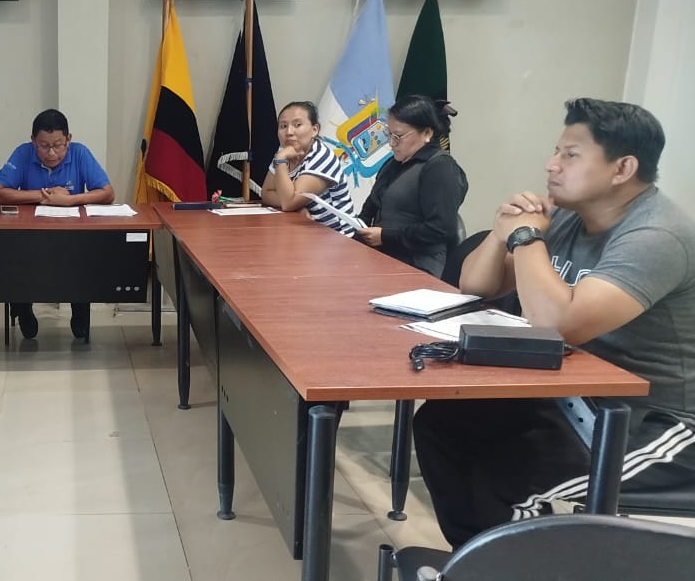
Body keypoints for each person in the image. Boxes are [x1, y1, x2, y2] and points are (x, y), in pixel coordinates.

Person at [413, 98, 695, 549]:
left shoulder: (655, 235)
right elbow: (478, 285)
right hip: (575, 397)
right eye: (556, 151)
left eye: (571, 155)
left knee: (510, 477)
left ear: (622, 169)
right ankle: (477, 568)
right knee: (442, 425)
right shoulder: (567, 217)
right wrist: (503, 232)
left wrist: (526, 236)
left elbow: (558, 326)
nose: (552, 164)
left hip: (655, 423)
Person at [0, 108, 115, 340]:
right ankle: (23, 307)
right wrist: (42, 195)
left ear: (68, 139)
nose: (52, 153)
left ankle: (79, 309)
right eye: (44, 146)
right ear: (33, 141)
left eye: (58, 145)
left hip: (72, 236)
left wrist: (69, 200)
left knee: (83, 257)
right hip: (30, 236)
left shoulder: (80, 153)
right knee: (15, 255)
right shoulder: (23, 153)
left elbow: (107, 193)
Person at [355, 94, 468, 276]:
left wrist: (385, 237)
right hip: (382, 256)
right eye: (389, 134)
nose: (391, 143)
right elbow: (370, 209)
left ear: (427, 133)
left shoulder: (440, 168)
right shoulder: (393, 164)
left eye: (398, 136)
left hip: (417, 264)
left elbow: (440, 228)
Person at [260, 101, 357, 236]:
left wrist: (280, 161)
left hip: (339, 237)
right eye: (283, 126)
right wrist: (296, 207)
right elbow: (266, 193)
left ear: (314, 130)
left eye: (297, 125)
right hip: (306, 234)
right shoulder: (284, 151)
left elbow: (288, 203)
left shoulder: (322, 156)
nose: (289, 132)